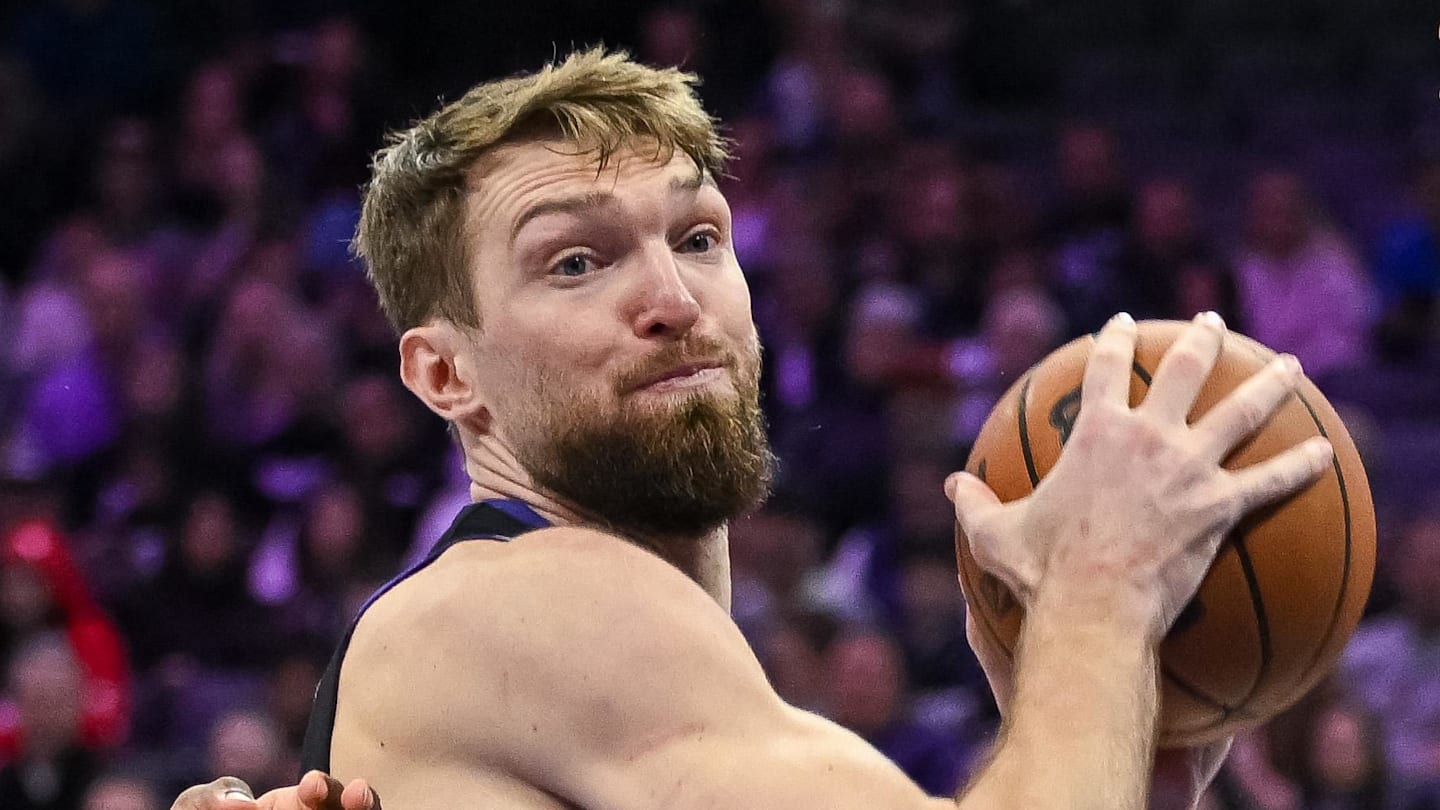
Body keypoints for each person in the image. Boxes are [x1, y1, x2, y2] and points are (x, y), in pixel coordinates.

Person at [171, 48, 1332, 810]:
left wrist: (1134, 753)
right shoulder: (516, 600)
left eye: (699, 237)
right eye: (575, 261)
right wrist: (1104, 586)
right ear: (442, 372)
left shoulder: (655, 675)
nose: (672, 298)